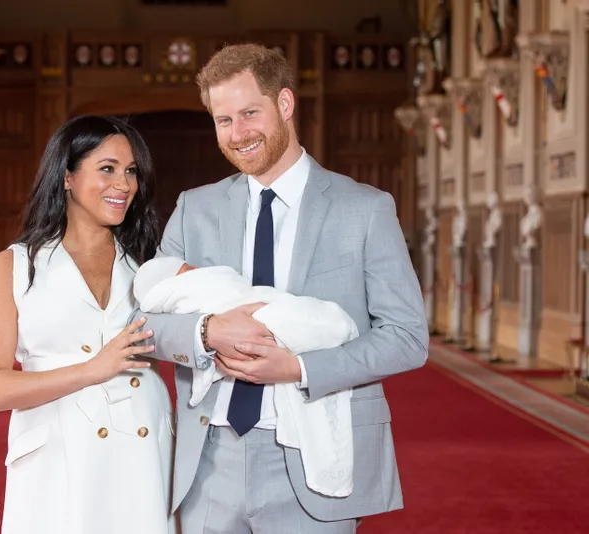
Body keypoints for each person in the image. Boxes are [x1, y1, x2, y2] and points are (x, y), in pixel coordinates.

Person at [132, 43, 429, 533]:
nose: (237, 133)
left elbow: (407, 336)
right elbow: (145, 324)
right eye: (222, 119)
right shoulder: (195, 209)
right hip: (210, 460)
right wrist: (208, 331)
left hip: (314, 459)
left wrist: (298, 367)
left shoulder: (364, 209)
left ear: (285, 104)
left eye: (249, 113)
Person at [0, 115, 176, 534]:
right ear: (67, 176)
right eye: (107, 168)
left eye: (131, 171)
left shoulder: (150, 262)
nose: (124, 184)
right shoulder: (14, 266)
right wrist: (90, 370)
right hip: (57, 460)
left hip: (143, 452)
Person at [134, 256, 359, 498]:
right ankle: (333, 325)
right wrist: (207, 331)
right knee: (289, 321)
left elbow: (402, 332)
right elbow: (140, 326)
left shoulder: (366, 217)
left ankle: (333, 324)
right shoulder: (186, 228)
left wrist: (299, 368)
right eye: (188, 270)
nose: (197, 270)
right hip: (210, 450)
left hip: (293, 445)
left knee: (295, 316)